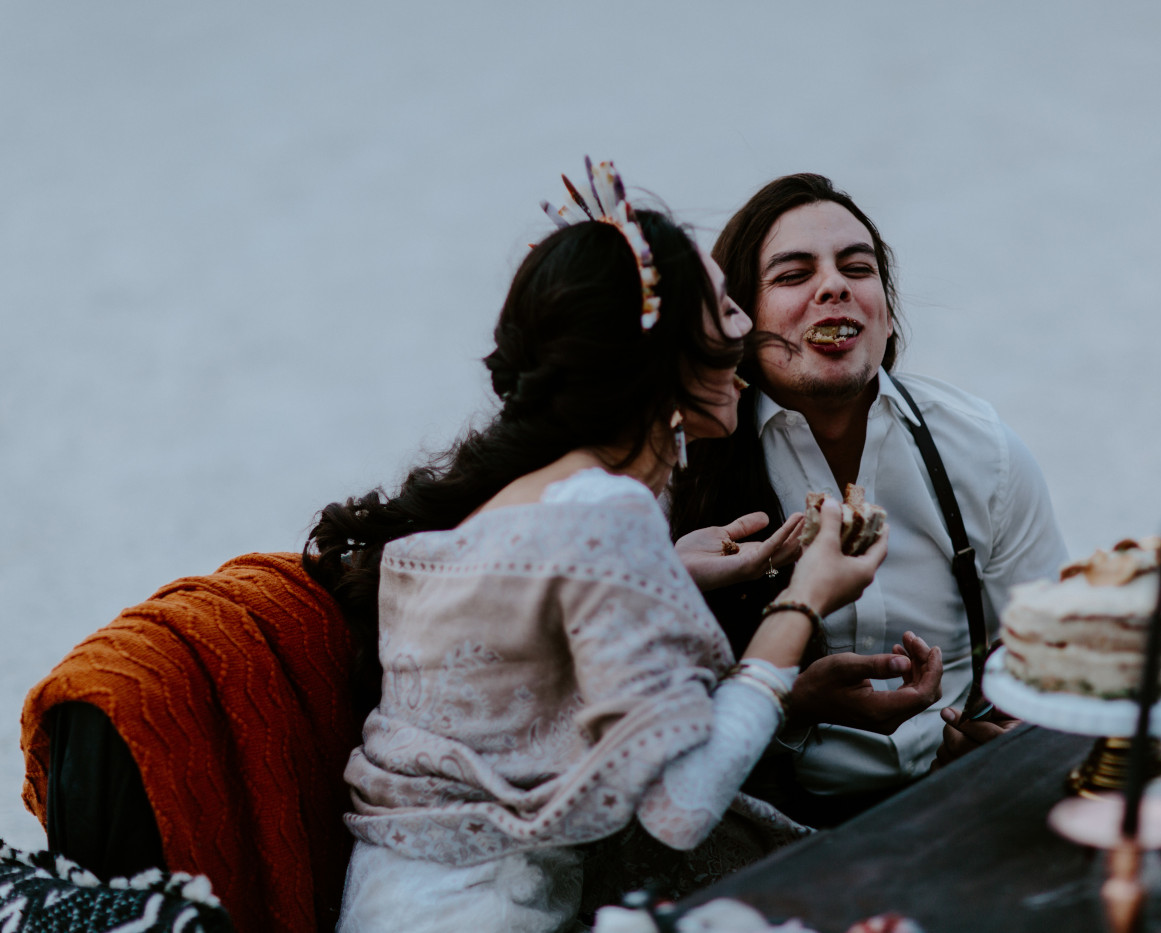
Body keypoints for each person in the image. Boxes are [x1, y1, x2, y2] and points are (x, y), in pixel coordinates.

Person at [302, 161, 888, 933]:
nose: (749, 331)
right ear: (671, 359)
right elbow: (679, 809)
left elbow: (528, 631)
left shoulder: (532, 498)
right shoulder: (607, 512)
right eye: (724, 312)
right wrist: (804, 598)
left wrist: (669, 569)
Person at [669, 173, 1068, 825]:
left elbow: (1056, 656)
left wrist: (1015, 735)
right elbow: (647, 737)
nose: (835, 285)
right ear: (740, 317)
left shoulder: (983, 452)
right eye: (794, 274)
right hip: (749, 827)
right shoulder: (681, 467)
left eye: (859, 267)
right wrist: (791, 704)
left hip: (956, 807)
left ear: (885, 312)